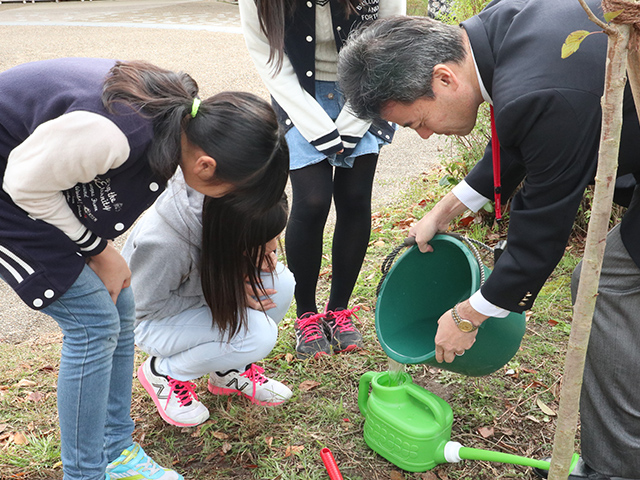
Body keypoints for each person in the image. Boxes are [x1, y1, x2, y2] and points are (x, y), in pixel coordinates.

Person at [337, 3, 640, 480]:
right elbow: (515, 135)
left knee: (608, 282)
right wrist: (445, 209)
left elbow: (540, 231)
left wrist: (469, 314)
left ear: (443, 79)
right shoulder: (497, 30)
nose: (422, 135)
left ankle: (616, 469)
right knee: (604, 279)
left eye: (416, 120)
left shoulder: (542, 91)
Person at [0, 58, 288, 480]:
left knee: (119, 302)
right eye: (233, 194)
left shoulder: (181, 122)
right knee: (94, 324)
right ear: (206, 166)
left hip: (32, 185)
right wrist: (97, 248)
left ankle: (115, 452)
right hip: (12, 196)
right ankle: (85, 475)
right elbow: (23, 185)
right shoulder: (115, 133)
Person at [237, 0, 406, 360]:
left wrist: (352, 120)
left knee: (355, 197)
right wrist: (318, 129)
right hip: (296, 92)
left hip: (364, 87)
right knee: (312, 201)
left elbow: (391, 39)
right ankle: (306, 314)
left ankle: (339, 309)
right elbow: (269, 60)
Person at [122, 176, 294, 427]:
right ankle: (165, 372)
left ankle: (229, 371)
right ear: (236, 234)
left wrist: (256, 257)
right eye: (262, 242)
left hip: (199, 295)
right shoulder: (166, 244)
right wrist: (224, 293)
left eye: (277, 236)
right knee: (257, 334)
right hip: (152, 320)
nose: (273, 247)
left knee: (280, 281)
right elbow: (139, 306)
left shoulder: (229, 211)